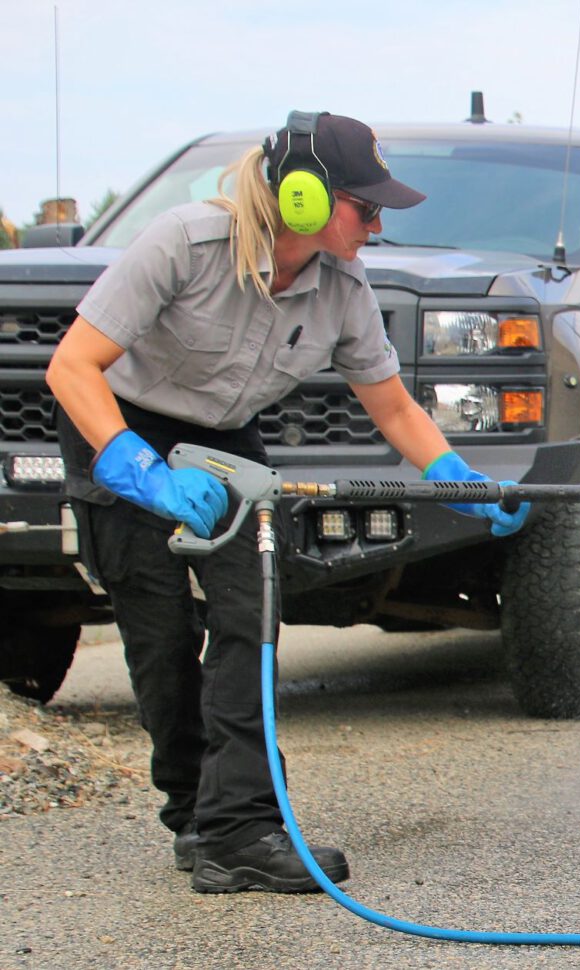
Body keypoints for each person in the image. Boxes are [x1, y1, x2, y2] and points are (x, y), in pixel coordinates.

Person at [47, 111, 529, 894]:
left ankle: (241, 827)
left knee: (248, 621)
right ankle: (195, 816)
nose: (377, 225)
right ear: (302, 196)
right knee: (162, 636)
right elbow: (73, 368)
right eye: (365, 207)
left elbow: (395, 408)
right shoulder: (183, 243)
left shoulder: (344, 287)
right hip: (119, 430)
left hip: (226, 441)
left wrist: (461, 480)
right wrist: (141, 473)